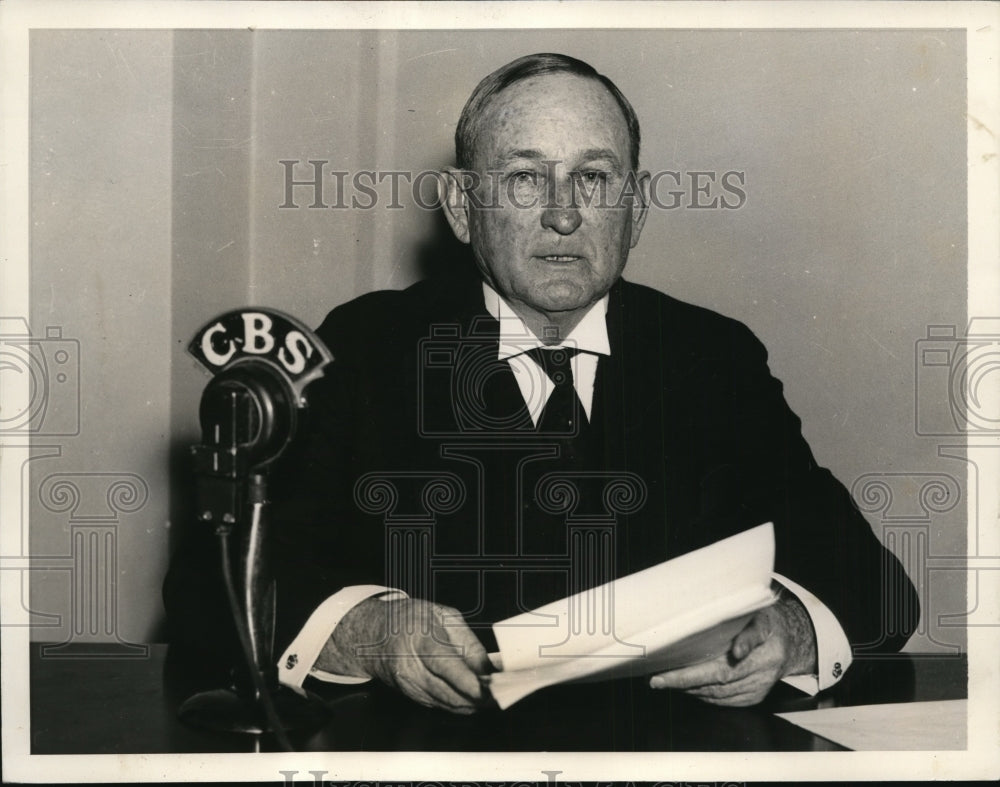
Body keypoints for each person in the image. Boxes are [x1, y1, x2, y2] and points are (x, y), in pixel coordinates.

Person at [164, 53, 918, 717]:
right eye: (525, 177)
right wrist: (367, 629)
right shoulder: (366, 349)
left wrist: (790, 629)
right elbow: (211, 582)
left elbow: (872, 581)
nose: (563, 214)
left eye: (593, 176)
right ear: (462, 209)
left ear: (637, 206)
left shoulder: (711, 358)